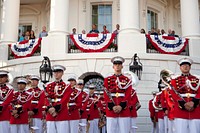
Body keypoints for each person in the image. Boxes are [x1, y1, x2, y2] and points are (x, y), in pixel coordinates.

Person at [170, 58, 200, 133]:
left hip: (195, 108)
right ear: (180, 67)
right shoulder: (174, 79)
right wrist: (183, 104)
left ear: (190, 67)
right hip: (180, 109)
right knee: (181, 130)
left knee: (195, 130)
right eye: (183, 65)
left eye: (187, 65)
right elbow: (173, 93)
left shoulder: (197, 79)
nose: (185, 67)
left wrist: (193, 102)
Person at [104, 56, 132, 133]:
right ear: (113, 66)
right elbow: (106, 95)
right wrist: (112, 106)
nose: (117, 66)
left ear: (122, 66)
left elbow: (128, 94)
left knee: (124, 131)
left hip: (123, 109)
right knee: (111, 131)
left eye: (119, 64)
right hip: (111, 110)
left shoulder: (127, 80)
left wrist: (121, 106)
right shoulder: (107, 79)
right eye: (115, 64)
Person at [45, 65, 72, 133]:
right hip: (50, 113)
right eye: (55, 72)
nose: (56, 74)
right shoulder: (48, 85)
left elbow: (65, 99)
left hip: (61, 112)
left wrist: (55, 109)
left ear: (62, 73)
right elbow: (46, 97)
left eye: (58, 72)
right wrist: (50, 108)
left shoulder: (67, 85)